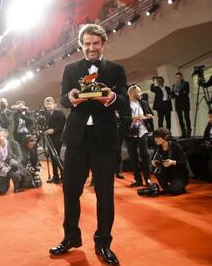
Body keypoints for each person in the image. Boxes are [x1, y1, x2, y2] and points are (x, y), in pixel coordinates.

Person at [50, 24, 129, 266]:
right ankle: (70, 237)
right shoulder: (70, 69)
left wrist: (113, 98)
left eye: (95, 43)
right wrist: (71, 97)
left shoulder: (116, 69)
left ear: (103, 44)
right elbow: (63, 98)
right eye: (87, 44)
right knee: (70, 192)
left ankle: (103, 243)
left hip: (104, 140)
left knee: (105, 195)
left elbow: (124, 102)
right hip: (76, 139)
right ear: (81, 45)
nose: (91, 48)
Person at [125, 85, 155, 187]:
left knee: (145, 156)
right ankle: (138, 179)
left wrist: (149, 116)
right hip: (130, 133)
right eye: (139, 92)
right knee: (133, 157)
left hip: (143, 132)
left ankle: (148, 179)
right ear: (132, 93)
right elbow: (121, 118)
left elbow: (150, 114)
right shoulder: (125, 104)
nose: (141, 94)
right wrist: (133, 118)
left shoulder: (143, 103)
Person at [151, 128, 189, 195]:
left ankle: (174, 187)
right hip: (166, 172)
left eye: (157, 137)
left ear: (165, 137)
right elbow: (153, 159)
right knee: (156, 170)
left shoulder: (176, 146)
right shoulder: (158, 147)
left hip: (179, 175)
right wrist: (153, 162)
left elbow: (184, 163)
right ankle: (169, 187)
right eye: (155, 137)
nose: (155, 139)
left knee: (173, 191)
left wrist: (173, 162)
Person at [0, 128, 23, 194]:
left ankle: (17, 186)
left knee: (16, 174)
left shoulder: (13, 143)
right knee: (1, 191)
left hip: (12, 167)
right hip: (1, 169)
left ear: (5, 136)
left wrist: (16, 162)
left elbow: (20, 155)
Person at [43, 96, 66, 183]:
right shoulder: (46, 114)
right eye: (46, 104)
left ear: (54, 104)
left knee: (56, 156)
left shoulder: (60, 113)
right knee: (52, 158)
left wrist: (53, 130)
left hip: (57, 138)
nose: (48, 105)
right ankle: (55, 176)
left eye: (49, 103)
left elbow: (62, 125)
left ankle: (64, 175)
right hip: (49, 138)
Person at [171, 72, 191, 138]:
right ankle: (183, 132)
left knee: (186, 117)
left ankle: (189, 131)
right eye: (176, 77)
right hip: (178, 104)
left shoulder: (186, 83)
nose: (178, 78)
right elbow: (172, 95)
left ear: (181, 77)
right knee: (180, 118)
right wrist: (176, 94)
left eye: (179, 77)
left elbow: (186, 92)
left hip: (185, 103)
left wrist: (177, 94)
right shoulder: (174, 85)